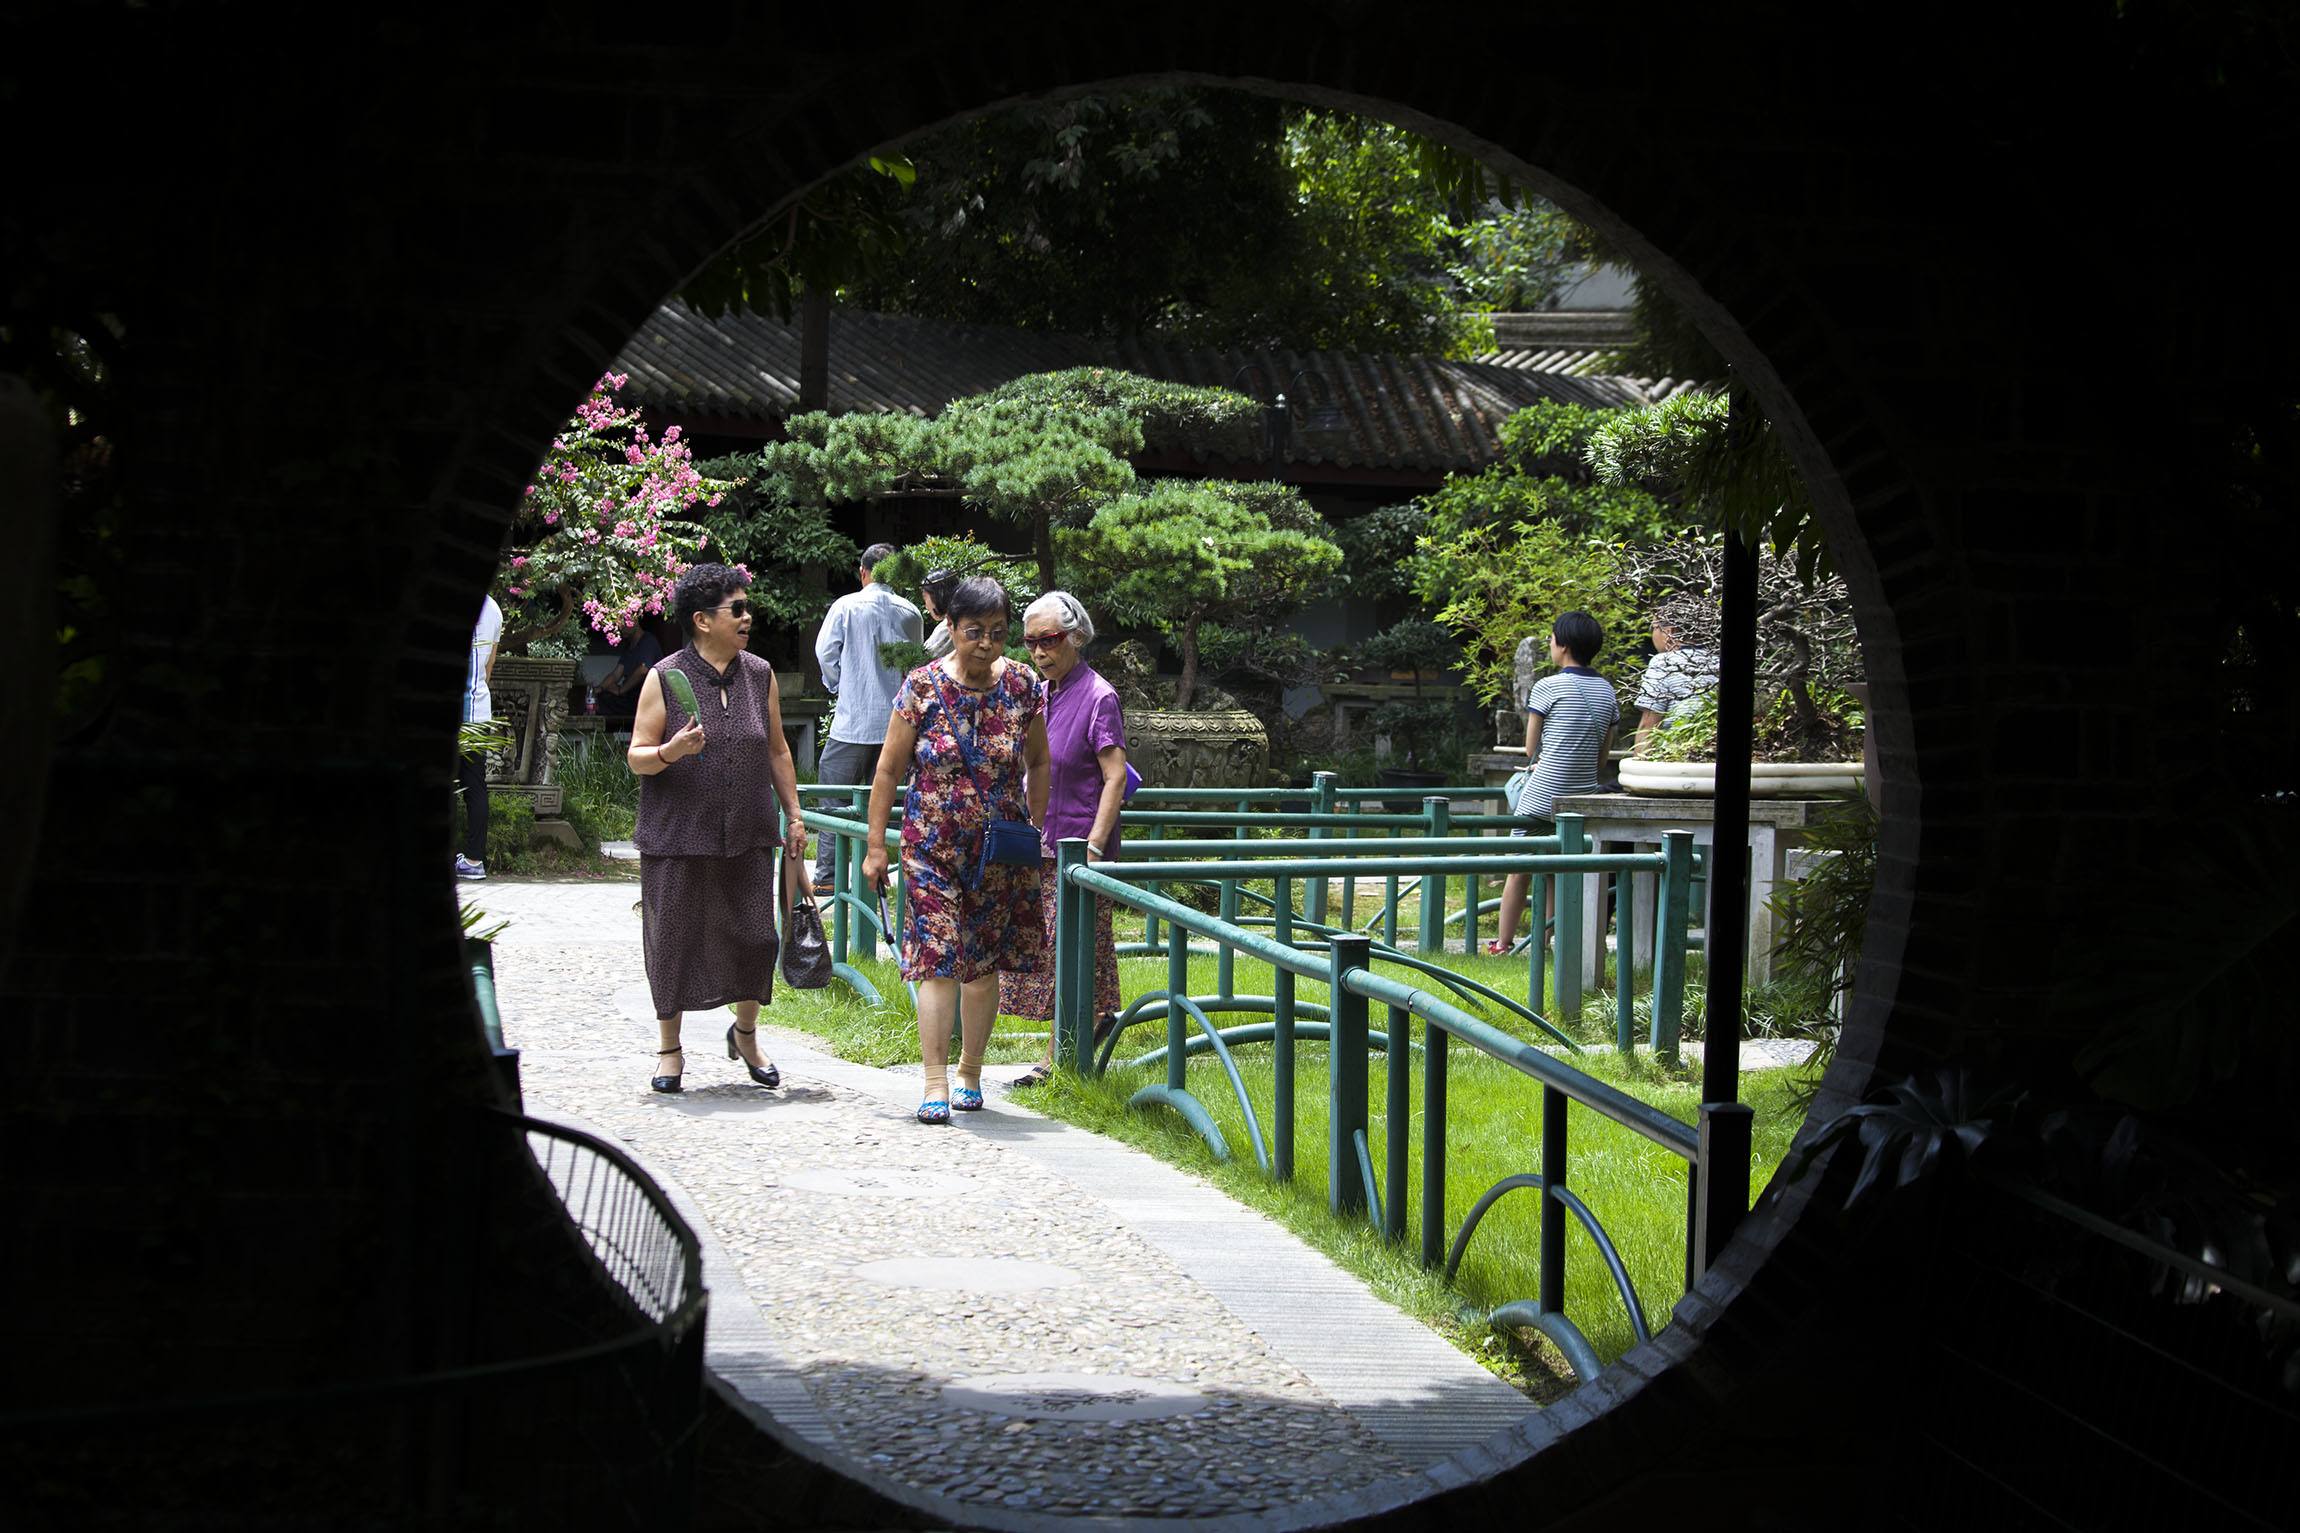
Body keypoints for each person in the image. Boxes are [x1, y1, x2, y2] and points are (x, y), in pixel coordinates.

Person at [859, 576, 1050, 1124]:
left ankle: (971, 1069)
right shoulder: (920, 687)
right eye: (974, 632)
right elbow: (889, 770)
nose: (986, 643)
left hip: (997, 850)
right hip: (930, 848)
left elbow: (1038, 761)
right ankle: (935, 1081)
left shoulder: (1021, 686)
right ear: (950, 628)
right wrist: (877, 845)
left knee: (982, 966)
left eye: (997, 632)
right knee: (938, 961)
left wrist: (1033, 824)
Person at [627, 562, 809, 1094]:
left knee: (755, 938)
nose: (747, 617)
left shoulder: (760, 674)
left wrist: (794, 815)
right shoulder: (665, 676)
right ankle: (669, 1051)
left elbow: (777, 749)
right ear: (703, 620)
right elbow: (637, 756)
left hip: (750, 830)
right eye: (737, 609)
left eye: (746, 608)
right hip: (677, 835)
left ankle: (746, 1034)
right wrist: (670, 750)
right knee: (673, 941)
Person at [1002, 592, 1129, 1088]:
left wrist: (1095, 849)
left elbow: (1114, 776)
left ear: (1075, 637)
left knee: (1066, 949)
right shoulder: (1039, 692)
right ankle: (1092, 1025)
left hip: (1079, 846)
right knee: (1061, 949)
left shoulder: (1099, 696)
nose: (1038, 650)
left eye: (1049, 640)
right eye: (1031, 641)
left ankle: (1058, 1061)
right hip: (1039, 841)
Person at [1490, 611, 1618, 954]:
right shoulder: (1607, 691)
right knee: (1556, 871)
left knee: (1518, 869)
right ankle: (1544, 943)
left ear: (1563, 645)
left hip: (1542, 795)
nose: (1549, 643)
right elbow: (1602, 759)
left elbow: (1532, 749)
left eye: (1551, 638)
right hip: (1581, 797)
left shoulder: (1548, 687)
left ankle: (1503, 944)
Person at [812, 542, 923, 893]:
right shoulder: (911, 612)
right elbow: (916, 667)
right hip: (897, 726)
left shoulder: (846, 606)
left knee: (833, 800)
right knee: (902, 803)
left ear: (863, 572)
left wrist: (837, 682)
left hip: (852, 721)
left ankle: (829, 877)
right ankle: (905, 877)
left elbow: (824, 651)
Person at [454, 593, 503, 881]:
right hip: (479, 711)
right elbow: (488, 668)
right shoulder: (494, 609)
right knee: (475, 786)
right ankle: (474, 860)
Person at [1631, 596, 1719, 751]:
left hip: (1677, 756)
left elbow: (1649, 725)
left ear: (1670, 632)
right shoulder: (1719, 661)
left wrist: (1639, 764)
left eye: (1654, 628)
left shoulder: (1663, 662)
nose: (1652, 634)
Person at [596, 613, 668, 719]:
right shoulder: (629, 646)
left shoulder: (648, 641)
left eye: (624, 623)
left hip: (647, 696)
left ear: (635, 621)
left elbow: (643, 669)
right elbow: (616, 674)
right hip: (631, 695)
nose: (621, 627)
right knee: (602, 697)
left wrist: (621, 690)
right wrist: (600, 688)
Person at [920, 567, 959, 660]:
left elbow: (921, 662)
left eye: (925, 597)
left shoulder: (948, 627)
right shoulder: (963, 619)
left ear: (936, 595)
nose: (926, 605)